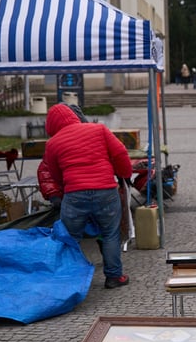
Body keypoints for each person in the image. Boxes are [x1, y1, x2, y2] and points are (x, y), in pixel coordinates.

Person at [42, 103, 134, 289]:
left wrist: (64, 188)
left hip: (75, 195)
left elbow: (53, 172)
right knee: (110, 234)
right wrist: (124, 174)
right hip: (106, 191)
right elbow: (120, 152)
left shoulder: (53, 143)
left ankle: (70, 279)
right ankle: (114, 277)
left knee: (71, 237)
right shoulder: (98, 129)